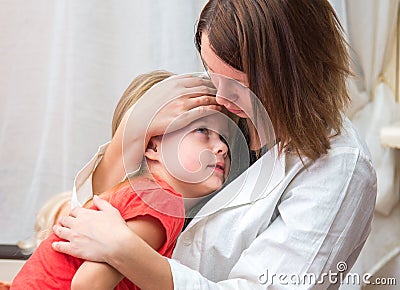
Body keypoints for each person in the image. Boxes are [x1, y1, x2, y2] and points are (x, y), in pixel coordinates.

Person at [52, 0, 377, 289]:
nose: (220, 96)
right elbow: (99, 210)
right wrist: (130, 133)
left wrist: (125, 250)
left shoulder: (340, 170)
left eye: (237, 84)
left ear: (290, 75)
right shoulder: (221, 107)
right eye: (211, 72)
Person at [11, 71, 233, 289]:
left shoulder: (138, 193)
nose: (222, 147)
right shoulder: (162, 201)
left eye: (224, 137)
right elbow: (89, 284)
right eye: (203, 131)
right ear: (153, 146)